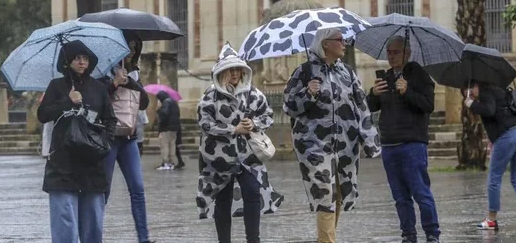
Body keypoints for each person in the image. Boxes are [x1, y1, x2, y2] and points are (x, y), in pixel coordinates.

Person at [283, 28, 381, 243]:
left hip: (346, 145)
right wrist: (308, 92)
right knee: (324, 192)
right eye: (339, 39)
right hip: (314, 146)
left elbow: (361, 106)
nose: (344, 43)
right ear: (326, 44)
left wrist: (370, 140)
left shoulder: (347, 72)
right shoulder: (304, 72)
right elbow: (288, 106)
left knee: (339, 193)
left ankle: (325, 239)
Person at [197, 44, 283, 243]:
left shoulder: (253, 94)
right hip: (219, 157)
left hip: (248, 155)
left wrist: (254, 123)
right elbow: (205, 124)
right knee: (223, 199)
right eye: (230, 69)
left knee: (253, 191)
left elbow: (268, 116)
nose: (234, 73)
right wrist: (232, 130)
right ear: (221, 71)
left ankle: (254, 239)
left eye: (238, 69)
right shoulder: (210, 96)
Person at [38, 40, 117, 243]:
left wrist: (105, 142)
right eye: (77, 58)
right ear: (67, 61)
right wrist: (67, 101)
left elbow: (109, 119)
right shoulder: (56, 86)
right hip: (62, 163)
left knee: (93, 224)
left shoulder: (99, 88)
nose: (82, 62)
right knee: (65, 222)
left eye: (85, 58)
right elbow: (43, 114)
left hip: (92, 162)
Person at [366, 36, 440, 243]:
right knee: (400, 196)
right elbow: (369, 107)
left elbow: (428, 105)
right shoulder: (386, 76)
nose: (390, 56)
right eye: (388, 52)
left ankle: (432, 234)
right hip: (389, 144)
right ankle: (408, 234)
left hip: (412, 143)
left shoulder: (419, 75)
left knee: (421, 192)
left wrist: (407, 91)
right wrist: (372, 94)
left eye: (395, 52)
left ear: (407, 53)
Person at [99, 32, 154, 243]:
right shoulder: (102, 71)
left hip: (129, 137)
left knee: (138, 189)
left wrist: (130, 82)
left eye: (134, 46)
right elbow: (98, 99)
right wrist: (114, 83)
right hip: (109, 137)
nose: (131, 50)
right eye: (127, 46)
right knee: (104, 191)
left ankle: (143, 238)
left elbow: (144, 103)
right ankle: (94, 236)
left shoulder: (135, 73)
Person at [465, 81, 516, 230]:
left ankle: (491, 220)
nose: (470, 92)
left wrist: (471, 104)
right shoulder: (502, 88)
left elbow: (489, 110)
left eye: (471, 88)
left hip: (507, 135)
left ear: (478, 85)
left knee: (494, 177)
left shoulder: (486, 91)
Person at [156, 90, 180, 170]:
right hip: (174, 128)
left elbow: (164, 114)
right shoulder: (174, 102)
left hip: (166, 128)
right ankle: (171, 163)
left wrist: (159, 110)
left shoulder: (166, 103)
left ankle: (165, 163)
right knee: (172, 145)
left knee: (164, 145)